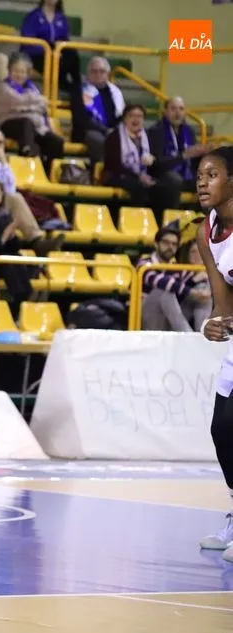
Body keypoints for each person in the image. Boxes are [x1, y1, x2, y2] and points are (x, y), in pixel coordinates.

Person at [194, 146, 233, 562]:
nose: (202, 183)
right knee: (223, 429)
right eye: (200, 176)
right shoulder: (205, 231)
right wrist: (213, 325)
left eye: (212, 174)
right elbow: (222, 304)